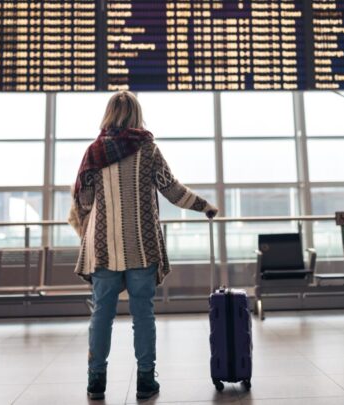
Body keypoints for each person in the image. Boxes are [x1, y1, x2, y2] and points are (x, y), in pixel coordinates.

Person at [68, 91, 219, 400]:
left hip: (103, 246)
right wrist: (204, 206)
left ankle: (95, 381)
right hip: (142, 244)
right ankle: (146, 380)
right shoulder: (148, 149)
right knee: (143, 315)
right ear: (137, 114)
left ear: (108, 114)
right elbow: (171, 189)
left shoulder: (94, 153)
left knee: (101, 315)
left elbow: (83, 200)